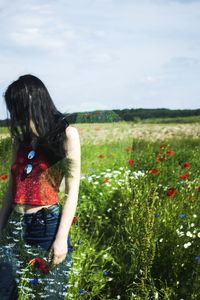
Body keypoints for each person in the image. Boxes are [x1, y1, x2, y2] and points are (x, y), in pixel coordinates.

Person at [0, 74, 81, 299]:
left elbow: (72, 191)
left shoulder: (66, 135)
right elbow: (11, 187)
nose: (14, 114)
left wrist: (61, 238)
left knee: (48, 295)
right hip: (14, 226)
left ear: (31, 101)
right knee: (4, 292)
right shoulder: (20, 140)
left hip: (46, 227)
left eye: (16, 107)